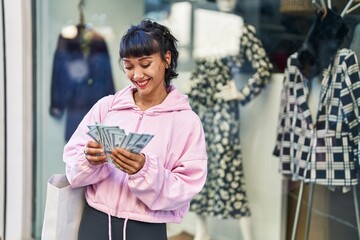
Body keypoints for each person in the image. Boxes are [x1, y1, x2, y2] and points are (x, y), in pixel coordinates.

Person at [63, 19, 208, 240]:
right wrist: (88, 160)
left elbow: (187, 186)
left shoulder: (186, 121)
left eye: (145, 64)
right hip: (95, 223)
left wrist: (145, 170)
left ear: (167, 59)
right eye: (129, 66)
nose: (137, 75)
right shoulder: (106, 107)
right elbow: (71, 166)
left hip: (146, 229)